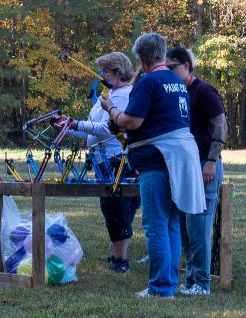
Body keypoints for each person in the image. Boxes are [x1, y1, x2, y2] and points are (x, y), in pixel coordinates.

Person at [100, 33, 206, 298]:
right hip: (180, 159)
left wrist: (111, 109)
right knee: (170, 223)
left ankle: (160, 288)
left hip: (157, 162)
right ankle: (168, 283)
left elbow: (132, 122)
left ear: (142, 58)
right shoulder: (176, 81)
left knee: (155, 224)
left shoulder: (148, 82)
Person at [64, 52, 140, 273]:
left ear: (117, 72)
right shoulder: (107, 97)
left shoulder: (124, 95)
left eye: (105, 71)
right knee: (111, 208)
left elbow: (108, 130)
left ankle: (121, 260)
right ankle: (117, 255)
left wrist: (75, 124)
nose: (102, 75)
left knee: (116, 207)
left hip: (117, 159)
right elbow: (91, 129)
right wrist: (69, 126)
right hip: (100, 159)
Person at [166, 47, 228, 296]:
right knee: (185, 227)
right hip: (183, 167)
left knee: (199, 225)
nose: (168, 72)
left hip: (205, 165)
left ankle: (202, 283)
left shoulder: (204, 91)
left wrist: (211, 161)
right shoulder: (176, 93)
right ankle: (190, 279)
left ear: (186, 66)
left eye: (172, 67)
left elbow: (220, 126)